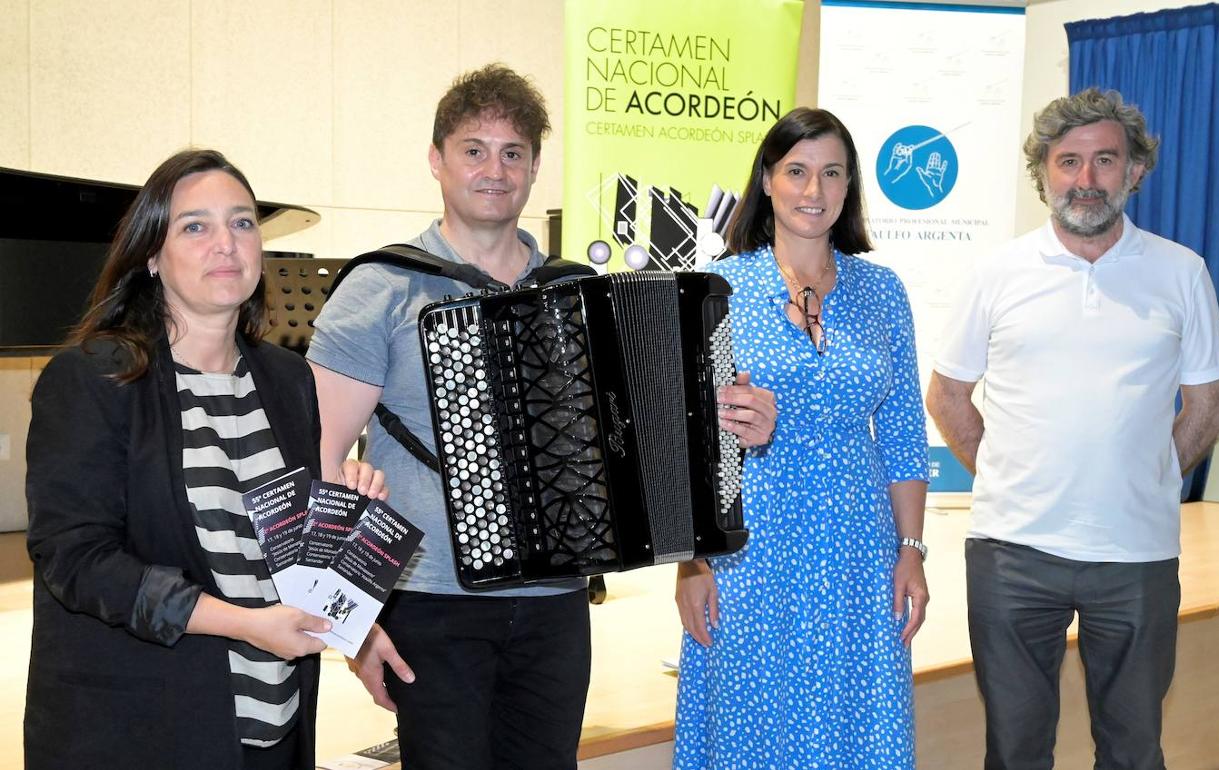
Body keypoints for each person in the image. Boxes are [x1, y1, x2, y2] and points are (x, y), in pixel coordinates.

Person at [308, 63, 776, 769]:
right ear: (436, 159)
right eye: (474, 149)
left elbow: (651, 436)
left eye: (513, 153)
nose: (494, 170)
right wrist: (355, 622)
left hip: (558, 604)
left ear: (532, 169)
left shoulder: (576, 293)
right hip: (432, 603)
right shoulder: (380, 287)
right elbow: (318, 458)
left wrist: (732, 424)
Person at [24, 149, 386, 770]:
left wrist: (345, 531)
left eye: (242, 223)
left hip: (273, 719)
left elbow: (287, 549)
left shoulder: (286, 378)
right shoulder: (91, 377)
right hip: (140, 728)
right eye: (196, 226)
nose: (227, 243)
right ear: (151, 256)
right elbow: (76, 559)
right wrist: (242, 623)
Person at [926, 88, 1219, 770]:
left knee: (1133, 749)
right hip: (1012, 554)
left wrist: (1143, 479)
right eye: (1068, 162)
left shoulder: (1182, 272)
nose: (1085, 180)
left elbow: (1208, 405)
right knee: (1015, 750)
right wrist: (1009, 473)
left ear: (1135, 171)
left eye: (1104, 161)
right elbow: (947, 396)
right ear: (1044, 173)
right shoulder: (996, 274)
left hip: (1136, 556)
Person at [673, 106, 931, 769]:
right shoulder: (719, 289)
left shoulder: (883, 292)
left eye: (831, 173)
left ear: (849, 189)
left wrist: (910, 551)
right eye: (796, 171)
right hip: (747, 551)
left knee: (852, 720)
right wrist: (691, 563)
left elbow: (903, 435)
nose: (813, 191)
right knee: (751, 723)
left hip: (857, 551)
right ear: (766, 180)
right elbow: (689, 444)